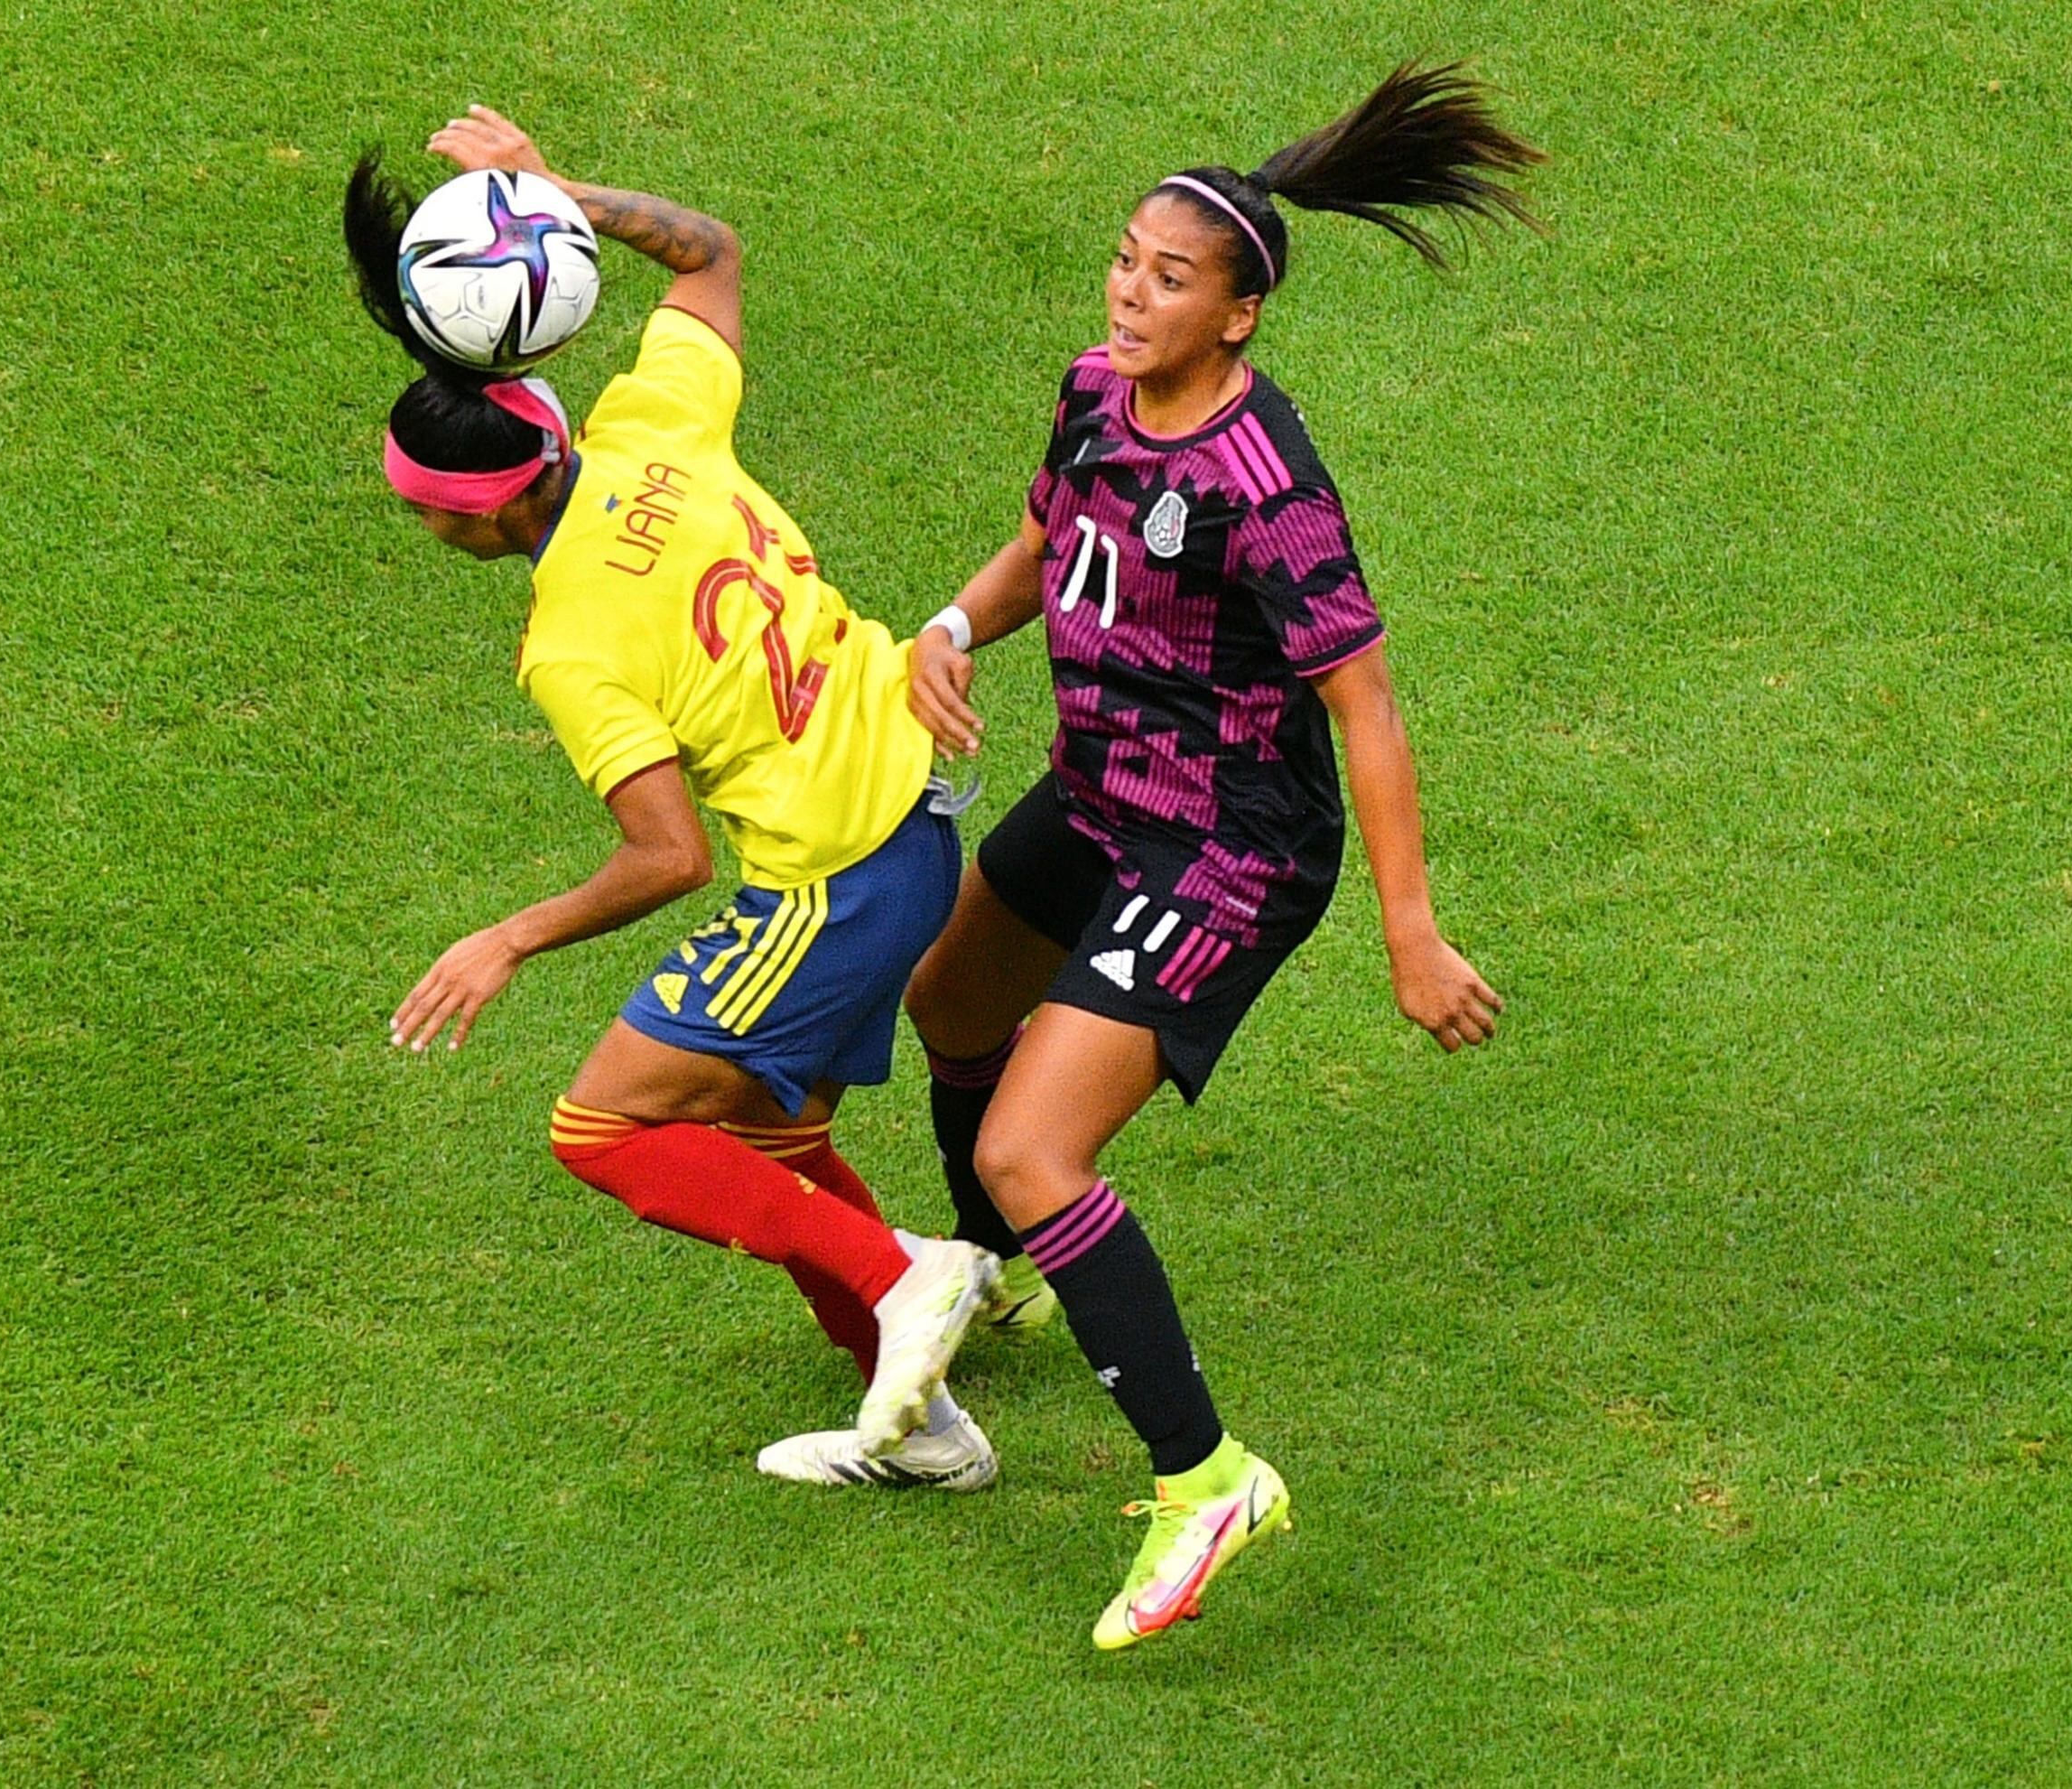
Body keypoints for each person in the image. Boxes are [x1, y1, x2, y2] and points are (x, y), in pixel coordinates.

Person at [897, 62, 1540, 1647]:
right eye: (1127, 259)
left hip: (1229, 849)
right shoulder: (1095, 392)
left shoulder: (1268, 488)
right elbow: (1056, 531)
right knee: (950, 997)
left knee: (1031, 1145)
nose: (1130, 291)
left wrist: (1411, 926)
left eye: (1169, 279)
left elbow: (1366, 703)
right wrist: (952, 624)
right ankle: (999, 1271)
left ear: (1239, 316)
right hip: (1106, 788)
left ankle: (1207, 1479)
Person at [348, 108, 997, 1486]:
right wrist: (555, 193)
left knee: (604, 1127)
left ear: (479, 515)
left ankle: (912, 1279)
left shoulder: (570, 644)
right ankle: (926, 1406)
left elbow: (667, 856)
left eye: (422, 511)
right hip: (914, 812)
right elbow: (709, 257)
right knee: (775, 1133)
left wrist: (506, 936)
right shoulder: (650, 426)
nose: (421, 530)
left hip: (834, 878)